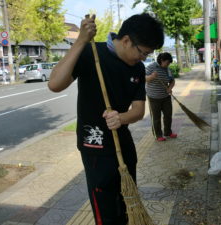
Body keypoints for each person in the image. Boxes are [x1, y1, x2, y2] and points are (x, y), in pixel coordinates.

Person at [48, 13, 164, 225]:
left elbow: (138, 111)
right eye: (143, 52)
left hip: (123, 144)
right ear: (127, 40)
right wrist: (81, 41)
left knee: (127, 202)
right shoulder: (91, 53)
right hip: (96, 145)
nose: (143, 58)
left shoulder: (138, 68)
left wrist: (121, 118)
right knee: (106, 209)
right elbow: (55, 84)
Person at [145, 52, 177, 141]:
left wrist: (170, 88)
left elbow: (172, 81)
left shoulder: (167, 69)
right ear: (162, 60)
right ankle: (158, 135)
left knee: (168, 115)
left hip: (165, 97)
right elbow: (144, 78)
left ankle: (168, 132)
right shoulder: (151, 67)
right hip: (153, 97)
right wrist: (151, 76)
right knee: (156, 117)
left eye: (169, 63)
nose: (168, 65)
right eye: (167, 62)